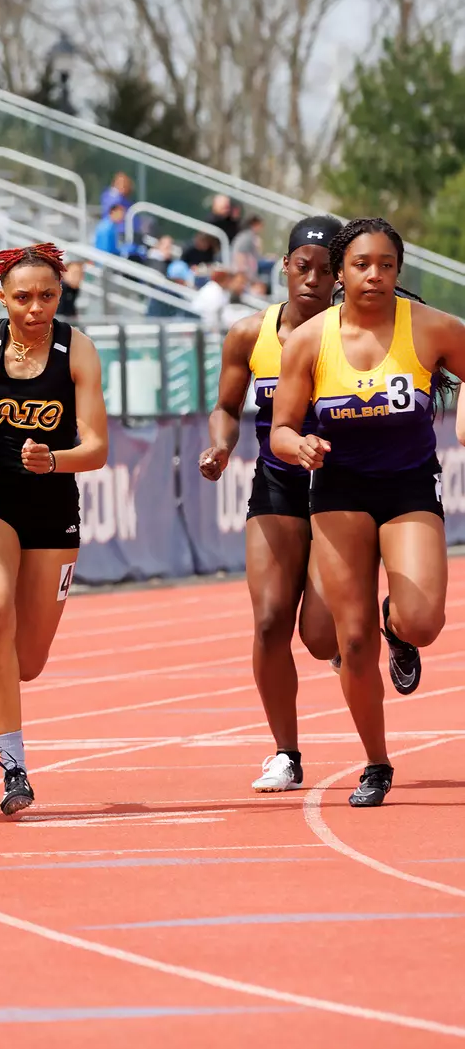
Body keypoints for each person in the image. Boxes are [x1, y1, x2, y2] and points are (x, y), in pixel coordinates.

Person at [270, 218, 464, 807]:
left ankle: (397, 625)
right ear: (340, 272)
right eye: (361, 264)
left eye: (385, 264)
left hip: (408, 489)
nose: (374, 275)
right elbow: (280, 428)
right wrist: (299, 446)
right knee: (351, 644)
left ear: (398, 271)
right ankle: (376, 762)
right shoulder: (310, 341)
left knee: (424, 621)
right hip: (339, 493)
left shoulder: (431, 328)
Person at [0, 243, 109, 815]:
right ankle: (13, 763)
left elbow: (96, 448)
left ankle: (3, 679)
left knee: (28, 661)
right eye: (23, 297)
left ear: (60, 297)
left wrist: (56, 460)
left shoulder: (78, 352)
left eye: (47, 296)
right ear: (2, 297)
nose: (35, 308)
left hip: (53, 508)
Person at [198, 217, 343, 792]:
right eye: (302, 266)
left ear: (338, 277)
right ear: (283, 266)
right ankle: (286, 752)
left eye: (325, 269)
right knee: (267, 622)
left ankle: (374, 626)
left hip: (341, 493)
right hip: (277, 488)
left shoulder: (354, 336)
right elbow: (227, 407)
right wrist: (220, 444)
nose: (312, 278)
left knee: (322, 637)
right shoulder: (247, 334)